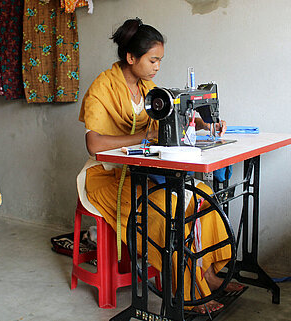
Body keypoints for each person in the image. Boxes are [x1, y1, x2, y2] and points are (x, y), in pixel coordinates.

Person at [78, 18, 242, 314]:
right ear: (131, 58)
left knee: (202, 195)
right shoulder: (102, 88)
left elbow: (175, 115)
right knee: (164, 215)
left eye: (159, 60)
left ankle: (207, 273)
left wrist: (206, 123)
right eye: (153, 60)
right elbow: (94, 145)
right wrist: (145, 134)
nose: (157, 66)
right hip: (106, 177)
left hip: (141, 172)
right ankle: (188, 292)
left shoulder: (149, 88)